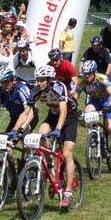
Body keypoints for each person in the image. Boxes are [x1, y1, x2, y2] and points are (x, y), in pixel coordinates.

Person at [32, 64, 79, 210]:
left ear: (49, 79)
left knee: (66, 153)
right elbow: (29, 110)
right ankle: (50, 166)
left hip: (69, 116)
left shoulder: (59, 87)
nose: (38, 83)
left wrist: (58, 129)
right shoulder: (37, 90)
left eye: (41, 80)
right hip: (53, 114)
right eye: (37, 79)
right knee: (41, 135)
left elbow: (64, 111)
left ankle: (68, 192)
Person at [75, 60, 111, 166]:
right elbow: (75, 97)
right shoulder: (82, 82)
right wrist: (75, 108)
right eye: (85, 73)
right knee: (88, 115)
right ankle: (93, 136)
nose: (87, 76)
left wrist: (110, 106)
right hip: (94, 101)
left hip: (106, 100)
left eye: (89, 73)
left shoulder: (102, 78)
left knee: (110, 127)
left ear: (95, 72)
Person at [0, 68, 35, 135]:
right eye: (2, 83)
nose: (4, 85)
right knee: (7, 142)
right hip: (14, 117)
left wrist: (21, 128)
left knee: (23, 138)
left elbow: (30, 114)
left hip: (28, 117)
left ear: (13, 81)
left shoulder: (20, 90)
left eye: (6, 82)